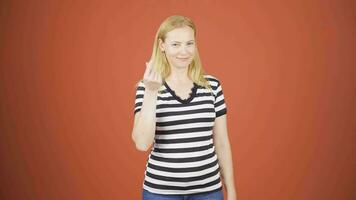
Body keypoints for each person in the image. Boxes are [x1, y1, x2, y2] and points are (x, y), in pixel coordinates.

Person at [132, 15, 237, 200]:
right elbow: (142, 143)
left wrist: (232, 191)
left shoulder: (212, 86)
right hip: (160, 193)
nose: (184, 51)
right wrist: (151, 92)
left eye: (189, 43)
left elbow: (221, 143)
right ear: (162, 45)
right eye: (175, 44)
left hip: (209, 191)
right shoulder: (148, 86)